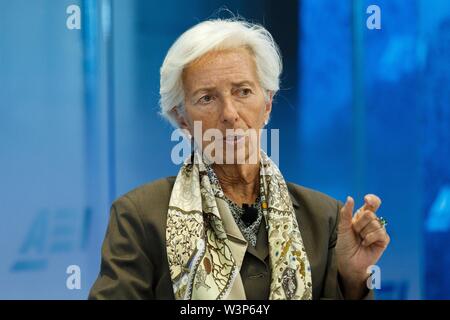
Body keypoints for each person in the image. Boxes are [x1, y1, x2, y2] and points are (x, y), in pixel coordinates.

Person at [89, 18, 390, 300]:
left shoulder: (325, 218)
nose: (230, 114)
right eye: (207, 98)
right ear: (181, 118)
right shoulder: (141, 217)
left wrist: (353, 279)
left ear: (268, 103)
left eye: (243, 91)